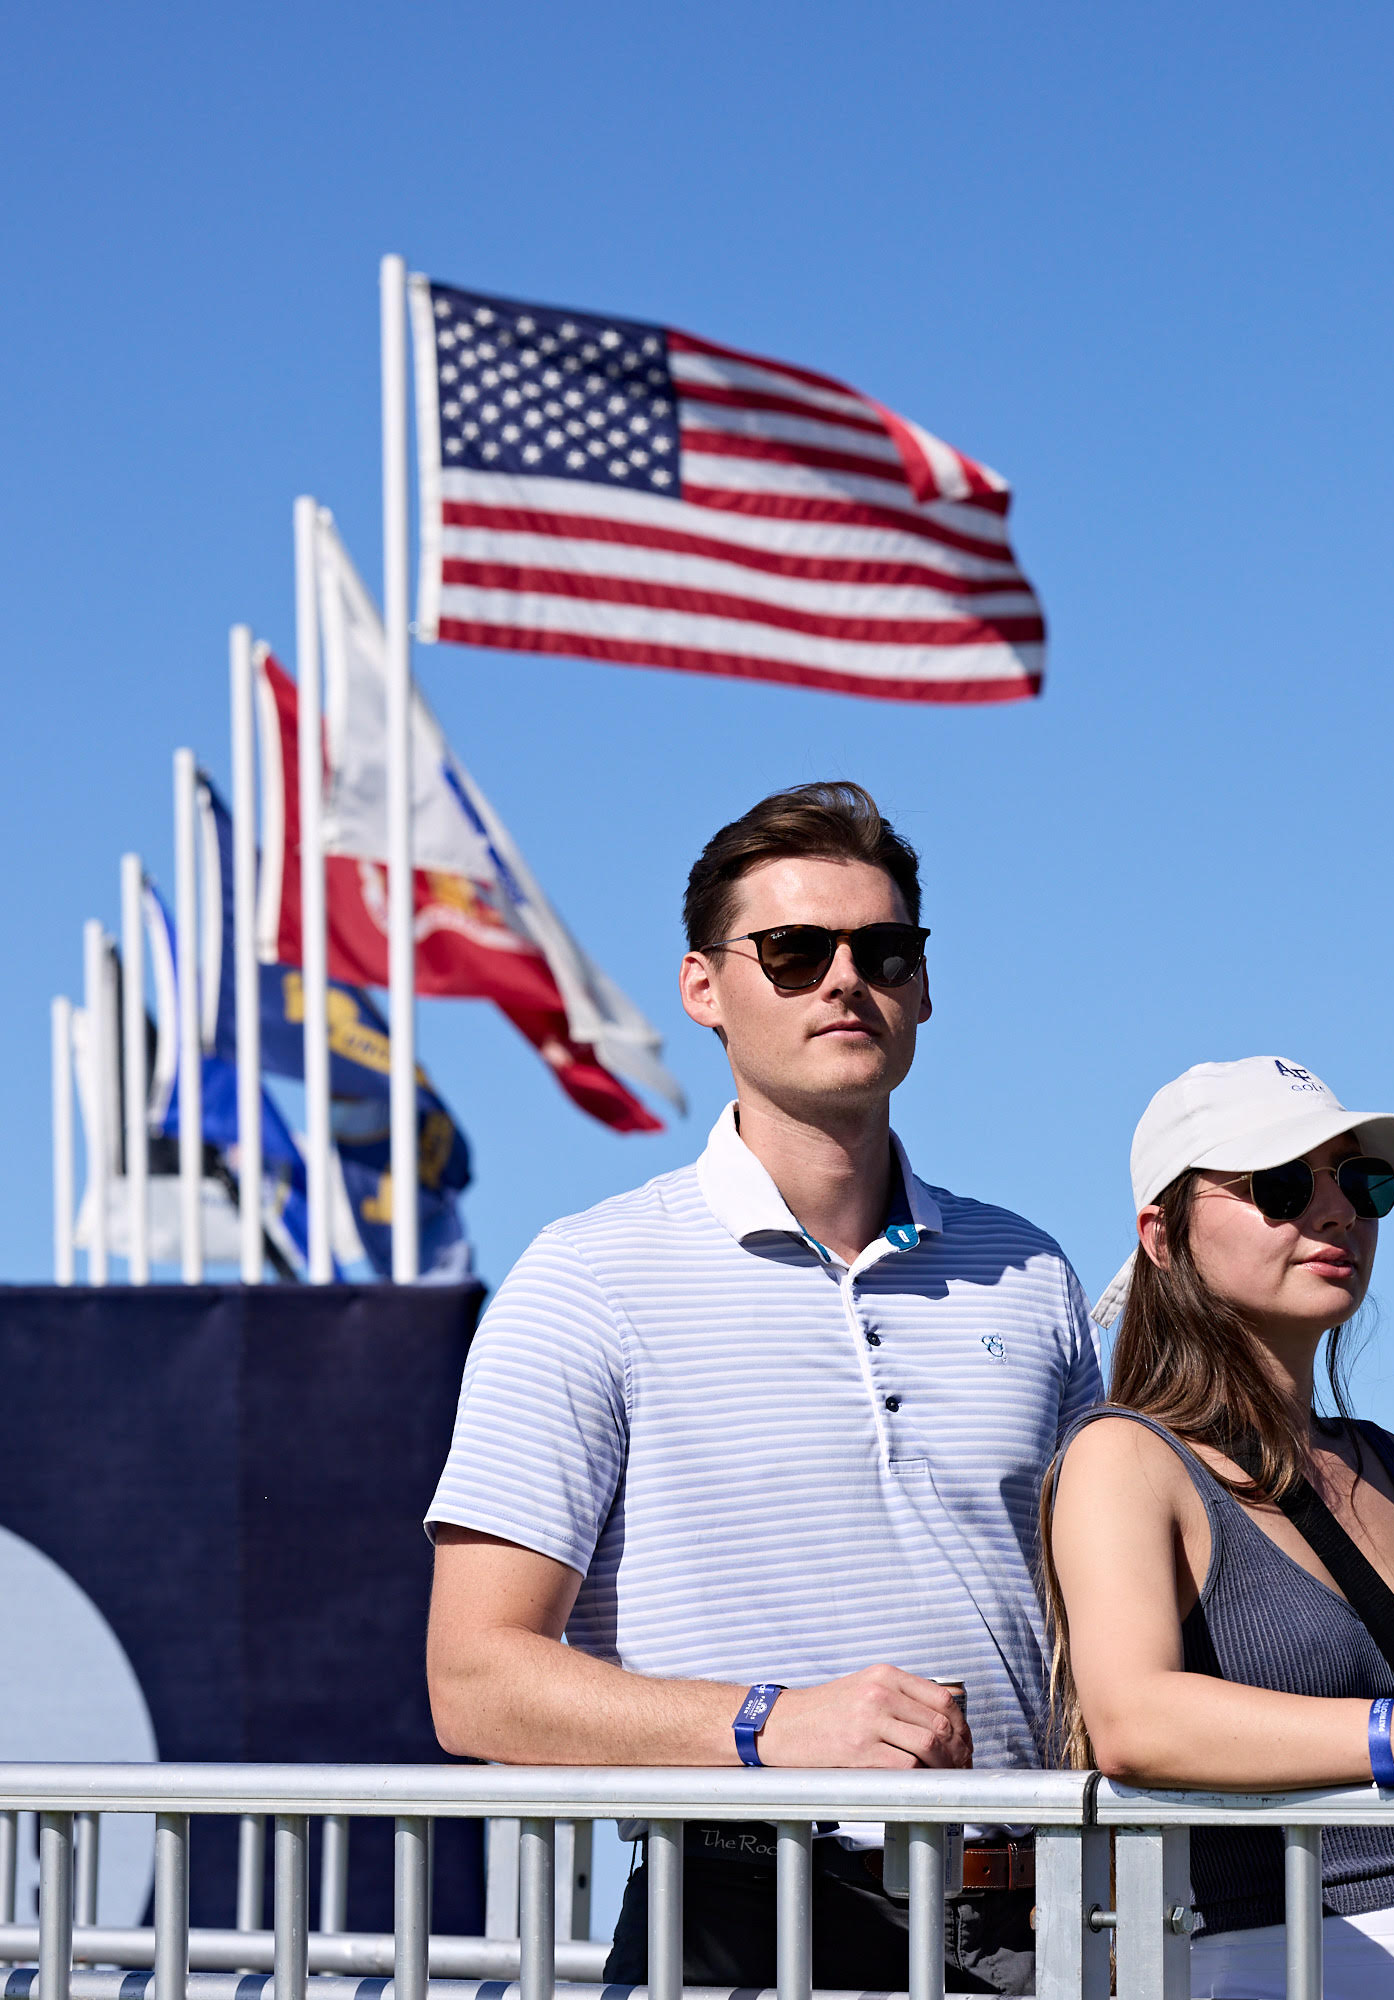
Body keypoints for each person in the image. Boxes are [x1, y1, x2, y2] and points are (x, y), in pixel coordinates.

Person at [424, 782, 1102, 1995]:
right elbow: (472, 1678)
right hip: (741, 1916)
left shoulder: (1030, 1269)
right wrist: (768, 1724)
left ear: (923, 986)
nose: (845, 978)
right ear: (702, 987)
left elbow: (1099, 1633)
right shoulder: (587, 1275)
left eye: (883, 949)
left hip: (1037, 1923)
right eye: (793, 950)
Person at [1043, 1058, 1394, 2000]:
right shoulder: (1125, 1458)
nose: (1335, 1212)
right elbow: (1132, 1721)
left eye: (1361, 1181)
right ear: (1162, 1235)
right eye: (1279, 1184)